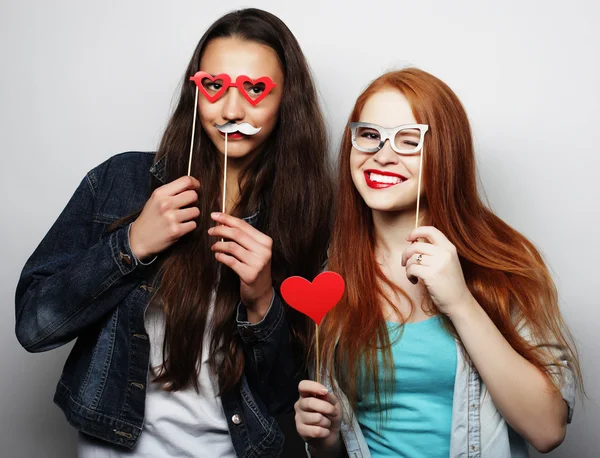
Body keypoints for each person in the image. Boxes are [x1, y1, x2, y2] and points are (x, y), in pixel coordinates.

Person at [15, 8, 331, 457]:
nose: (232, 108)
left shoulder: (307, 214)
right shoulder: (119, 183)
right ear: (195, 90)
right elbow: (33, 327)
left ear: (286, 100)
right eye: (215, 86)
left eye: (256, 89)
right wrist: (130, 246)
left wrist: (261, 301)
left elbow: (286, 397)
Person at [294, 68, 581, 457]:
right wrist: (325, 437)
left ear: (445, 153)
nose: (383, 155)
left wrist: (460, 302)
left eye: (408, 141)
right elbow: (344, 442)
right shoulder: (329, 276)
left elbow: (548, 430)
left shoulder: (504, 263)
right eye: (370, 136)